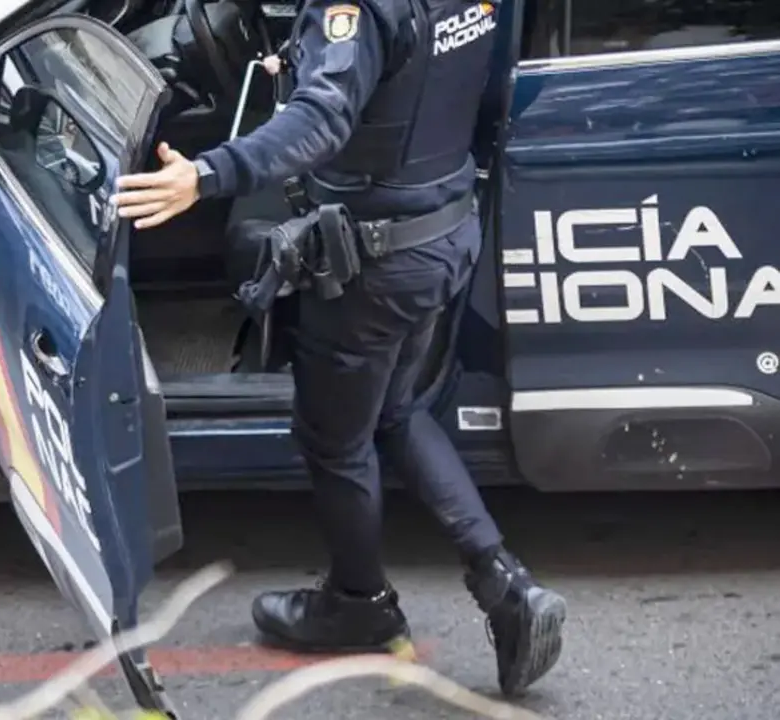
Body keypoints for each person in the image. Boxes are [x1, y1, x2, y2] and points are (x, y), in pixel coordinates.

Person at [110, 0, 566, 696]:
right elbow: (426, 78)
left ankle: (358, 606)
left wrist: (205, 176)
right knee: (395, 410)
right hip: (440, 231)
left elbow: (323, 120)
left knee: (333, 438)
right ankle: (504, 583)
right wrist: (297, 65)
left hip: (373, 263)